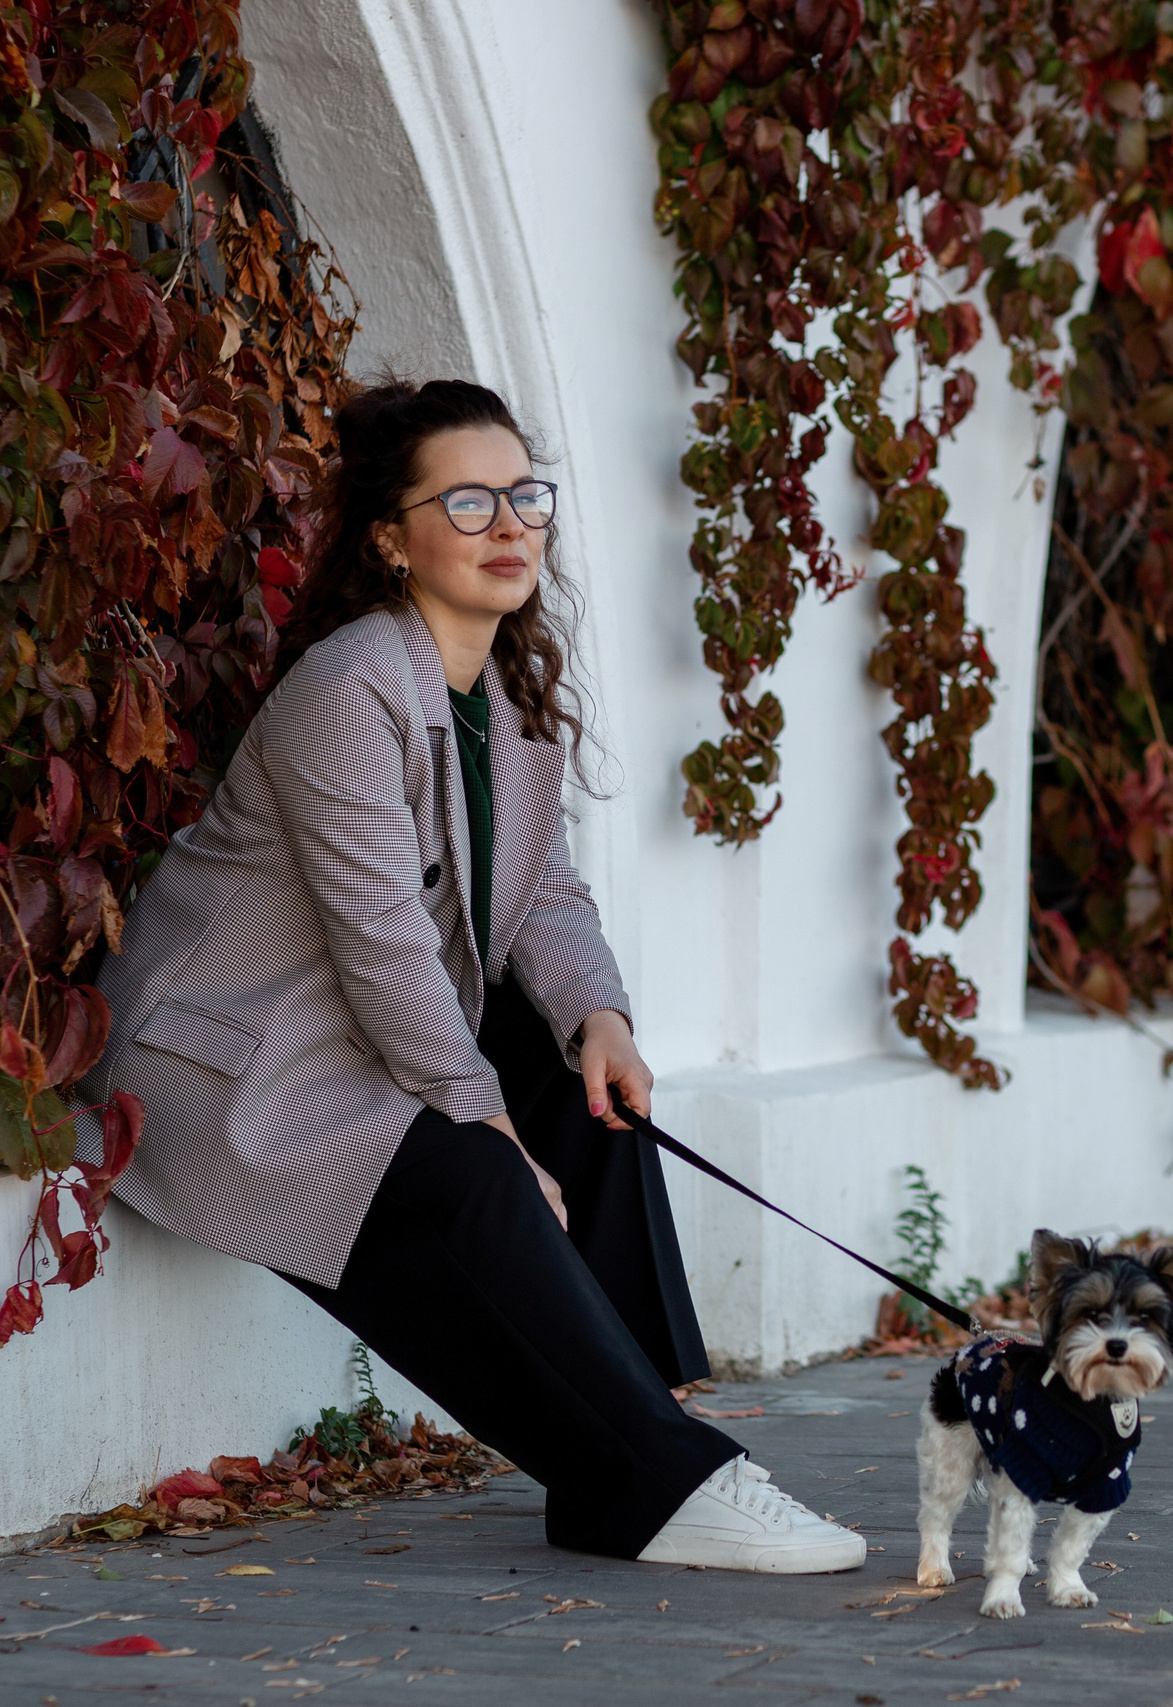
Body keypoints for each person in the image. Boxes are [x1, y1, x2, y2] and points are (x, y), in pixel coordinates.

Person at [76, 378, 864, 1572]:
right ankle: (654, 1480)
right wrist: (478, 1116)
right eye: (470, 499)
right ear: (393, 537)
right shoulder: (351, 688)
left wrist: (600, 1017)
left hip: (335, 1034)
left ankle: (640, 1438)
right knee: (471, 1172)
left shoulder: (493, 693)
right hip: (225, 1067)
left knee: (591, 1101)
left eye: (526, 495)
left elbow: (543, 892)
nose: (512, 524)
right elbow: (383, 935)